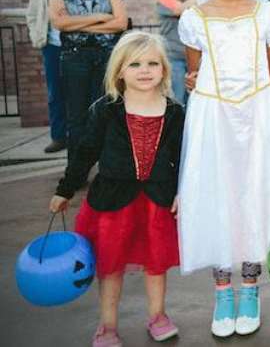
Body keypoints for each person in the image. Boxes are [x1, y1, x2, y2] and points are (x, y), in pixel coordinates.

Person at [176, 0, 270, 338]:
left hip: (257, 116)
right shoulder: (193, 19)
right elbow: (195, 70)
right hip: (213, 117)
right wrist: (198, 83)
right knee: (217, 194)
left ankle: (249, 285)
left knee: (253, 193)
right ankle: (223, 292)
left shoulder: (269, 15)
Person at [49, 31, 184, 347]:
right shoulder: (106, 109)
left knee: (156, 262)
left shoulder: (175, 111)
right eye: (135, 64)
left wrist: (182, 191)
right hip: (112, 203)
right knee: (110, 266)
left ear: (164, 69)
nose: (145, 70)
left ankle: (158, 316)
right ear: (119, 70)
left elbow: (183, 158)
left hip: (158, 201)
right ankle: (107, 326)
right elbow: (85, 152)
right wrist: (65, 190)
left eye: (153, 63)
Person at [48, 0, 128, 162]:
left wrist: (77, 23)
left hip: (106, 57)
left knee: (105, 112)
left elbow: (121, 22)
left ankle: (106, 168)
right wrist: (101, 16)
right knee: (76, 116)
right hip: (74, 58)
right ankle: (77, 169)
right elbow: (59, 23)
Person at [26, 0, 70, 153]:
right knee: (55, 93)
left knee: (79, 93)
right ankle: (59, 137)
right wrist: (37, 36)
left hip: (77, 48)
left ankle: (80, 137)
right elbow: (32, 15)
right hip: (52, 47)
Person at [154, 0, 189, 105]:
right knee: (177, 101)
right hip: (174, 59)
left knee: (191, 101)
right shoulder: (163, 0)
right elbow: (179, 10)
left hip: (189, 58)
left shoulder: (185, 1)